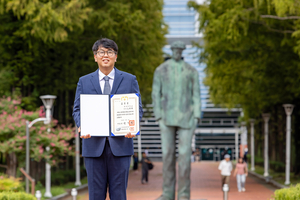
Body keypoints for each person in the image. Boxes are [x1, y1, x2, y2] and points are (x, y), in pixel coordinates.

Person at [72, 38, 143, 200]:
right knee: (96, 196)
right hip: (93, 145)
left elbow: (137, 108)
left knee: (119, 195)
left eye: (110, 52)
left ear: (116, 57)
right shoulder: (84, 81)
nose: (106, 55)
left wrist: (133, 127)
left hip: (121, 145)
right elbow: (77, 109)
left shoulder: (129, 79)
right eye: (101, 52)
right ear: (95, 56)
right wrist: (82, 124)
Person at [152, 40, 201, 200]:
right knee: (167, 155)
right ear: (171, 50)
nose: (177, 52)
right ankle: (167, 193)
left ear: (183, 51)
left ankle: (184, 194)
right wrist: (158, 115)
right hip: (166, 118)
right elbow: (155, 94)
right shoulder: (161, 70)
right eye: (175, 49)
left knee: (185, 157)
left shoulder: (191, 71)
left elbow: (196, 95)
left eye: (180, 50)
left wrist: (196, 116)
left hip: (187, 117)